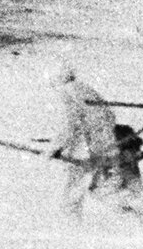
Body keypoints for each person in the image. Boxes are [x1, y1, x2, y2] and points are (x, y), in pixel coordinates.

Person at [46, 62, 123, 218]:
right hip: (105, 145)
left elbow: (69, 125)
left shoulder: (66, 93)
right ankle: (137, 221)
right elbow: (109, 116)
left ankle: (70, 229)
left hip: (84, 150)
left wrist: (55, 148)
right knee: (103, 189)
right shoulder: (86, 89)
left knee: (70, 189)